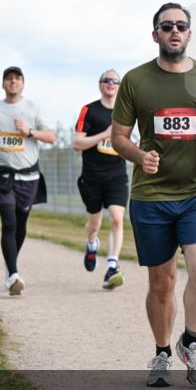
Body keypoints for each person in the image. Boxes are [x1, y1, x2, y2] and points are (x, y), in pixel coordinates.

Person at [111, 2, 196, 388]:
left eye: (181, 25)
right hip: (151, 196)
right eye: (167, 26)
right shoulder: (135, 80)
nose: (174, 31)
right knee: (162, 282)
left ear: (190, 33)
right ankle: (162, 352)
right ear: (155, 35)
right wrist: (139, 155)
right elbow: (119, 137)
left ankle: (191, 342)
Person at [0, 66, 56, 295]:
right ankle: (13, 275)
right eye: (9, 79)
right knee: (9, 222)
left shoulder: (33, 108)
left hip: (29, 177)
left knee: (21, 224)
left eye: (17, 78)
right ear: (3, 84)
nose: (13, 82)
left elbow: (51, 137)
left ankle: (9, 264)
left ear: (23, 83)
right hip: (3, 175)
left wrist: (30, 132)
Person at [74, 69, 129, 290]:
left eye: (115, 81)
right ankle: (91, 244)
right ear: (100, 84)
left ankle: (112, 267)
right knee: (94, 224)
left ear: (119, 86)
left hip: (117, 175)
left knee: (117, 218)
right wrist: (105, 135)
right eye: (106, 80)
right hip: (92, 176)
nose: (110, 84)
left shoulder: (126, 112)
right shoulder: (89, 110)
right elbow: (77, 143)